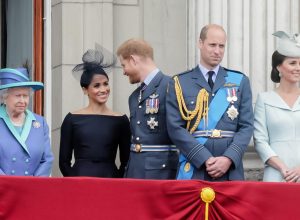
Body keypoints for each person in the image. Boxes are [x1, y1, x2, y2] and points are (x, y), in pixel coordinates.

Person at [166, 24, 253, 181]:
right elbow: (175, 128)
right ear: (200, 43)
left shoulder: (240, 81)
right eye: (212, 45)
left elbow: (246, 126)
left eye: (221, 46)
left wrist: (229, 158)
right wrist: (203, 158)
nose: (217, 51)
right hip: (195, 167)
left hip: (230, 170)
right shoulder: (180, 82)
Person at [59, 48, 130, 178]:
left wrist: (118, 182)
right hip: (80, 182)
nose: (103, 89)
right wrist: (74, 181)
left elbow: (126, 161)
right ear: (85, 90)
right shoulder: (72, 119)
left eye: (105, 84)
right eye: (97, 85)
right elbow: (63, 162)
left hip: (111, 182)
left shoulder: (121, 120)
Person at [117, 39, 178, 179]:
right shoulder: (134, 96)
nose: (123, 72)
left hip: (161, 173)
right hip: (135, 171)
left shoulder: (172, 86)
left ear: (133, 59)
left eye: (123, 65)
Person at [254, 31, 300, 182]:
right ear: (279, 67)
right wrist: (282, 168)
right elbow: (260, 140)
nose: (298, 68)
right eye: (293, 63)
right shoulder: (264, 99)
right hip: (276, 174)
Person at [0, 67, 54, 176]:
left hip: (32, 188)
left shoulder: (40, 123)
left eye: (25, 96)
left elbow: (47, 159)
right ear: (4, 97)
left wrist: (33, 184)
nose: (22, 101)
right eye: (17, 96)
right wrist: (6, 184)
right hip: (3, 188)